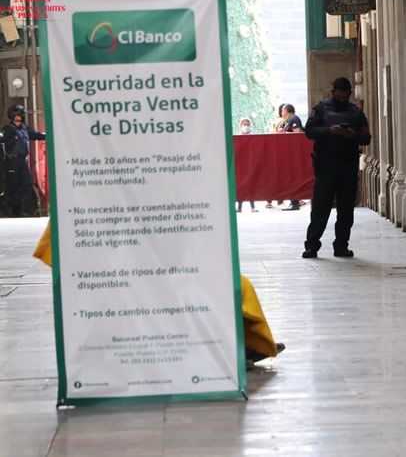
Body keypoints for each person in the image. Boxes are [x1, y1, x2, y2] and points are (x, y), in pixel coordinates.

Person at [33, 221, 285, 367]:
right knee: (197, 290)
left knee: (235, 283)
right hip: (122, 270)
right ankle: (227, 349)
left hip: (161, 261)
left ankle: (238, 346)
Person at [302, 77, 371, 258]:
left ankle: (341, 245)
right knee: (320, 207)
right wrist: (329, 131)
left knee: (346, 209)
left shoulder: (356, 112)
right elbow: (309, 131)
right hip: (326, 165)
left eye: (344, 97)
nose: (341, 100)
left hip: (348, 166)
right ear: (333, 93)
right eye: (338, 97)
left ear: (349, 94)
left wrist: (353, 135)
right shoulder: (321, 109)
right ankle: (312, 245)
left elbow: (366, 137)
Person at [2, 105, 45, 217]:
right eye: (16, 115)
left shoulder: (24, 127)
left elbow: (34, 135)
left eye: (20, 115)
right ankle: (16, 211)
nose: (18, 117)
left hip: (22, 160)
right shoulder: (8, 129)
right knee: (13, 186)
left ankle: (6, 203)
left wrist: (47, 136)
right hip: (12, 160)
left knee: (27, 183)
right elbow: (5, 142)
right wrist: (13, 139)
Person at [275, 104, 304, 211]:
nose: (281, 113)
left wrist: (284, 132)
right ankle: (293, 202)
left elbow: (296, 134)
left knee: (293, 177)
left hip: (294, 153)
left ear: (286, 110)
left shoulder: (294, 119)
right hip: (288, 153)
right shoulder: (287, 121)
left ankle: (295, 203)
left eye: (282, 110)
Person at [236, 117, 258, 213]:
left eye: (248, 125)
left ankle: (253, 207)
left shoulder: (253, 138)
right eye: (244, 124)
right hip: (240, 166)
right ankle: (239, 207)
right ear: (240, 126)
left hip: (250, 165)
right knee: (241, 186)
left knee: (251, 186)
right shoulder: (237, 138)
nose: (246, 126)